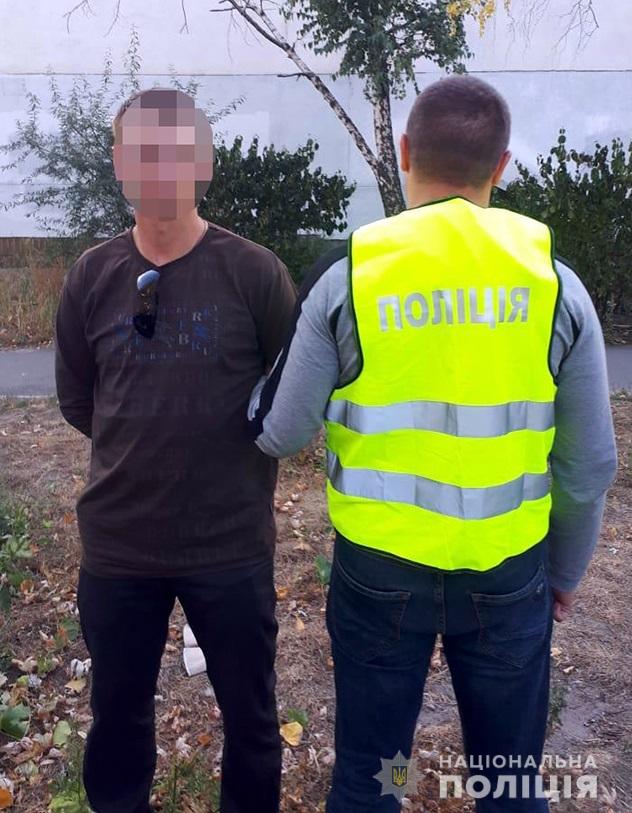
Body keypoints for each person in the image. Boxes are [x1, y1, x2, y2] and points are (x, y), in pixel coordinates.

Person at [249, 75, 617, 811]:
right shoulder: (554, 282)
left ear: (405, 151)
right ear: (501, 166)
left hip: (378, 574)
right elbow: (589, 465)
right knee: (509, 783)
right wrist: (565, 572)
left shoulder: (351, 274)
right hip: (509, 573)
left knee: (373, 778)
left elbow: (282, 430)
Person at [55, 87, 296, 813]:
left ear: (203, 162)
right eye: (142, 152)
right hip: (120, 546)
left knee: (252, 721)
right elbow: (79, 401)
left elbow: (286, 393)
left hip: (230, 545)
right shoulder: (91, 276)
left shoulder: (255, 273)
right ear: (119, 163)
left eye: (174, 151)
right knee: (118, 719)